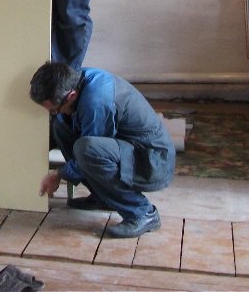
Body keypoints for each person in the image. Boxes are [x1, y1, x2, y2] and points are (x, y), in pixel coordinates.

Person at [31, 61, 175, 239]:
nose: (55, 113)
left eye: (54, 110)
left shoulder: (96, 102)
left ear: (71, 96)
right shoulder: (75, 79)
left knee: (87, 149)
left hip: (151, 160)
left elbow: (91, 152)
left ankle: (143, 212)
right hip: (125, 147)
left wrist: (59, 174)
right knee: (60, 125)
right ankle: (103, 197)